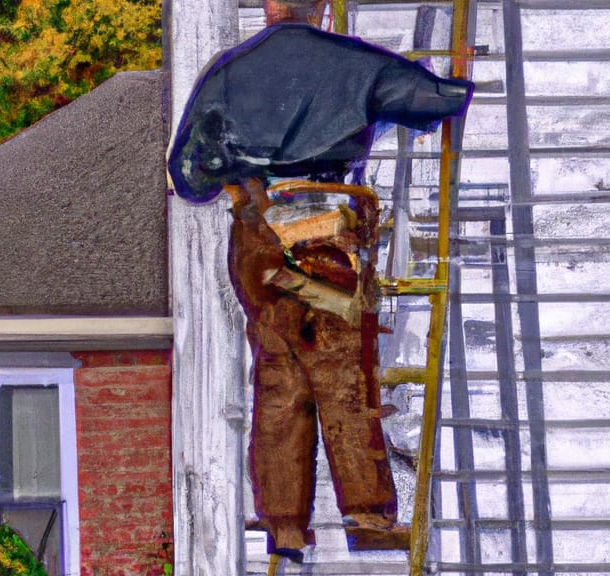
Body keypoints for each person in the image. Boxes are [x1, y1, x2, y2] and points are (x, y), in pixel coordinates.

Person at [168, 0, 472, 559]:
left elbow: (189, 178)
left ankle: (284, 525)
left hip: (256, 237)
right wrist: (459, 78)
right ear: (322, 9)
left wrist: (242, 166)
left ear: (268, 7)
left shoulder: (227, 73)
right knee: (341, 376)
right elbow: (437, 101)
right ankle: (366, 515)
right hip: (328, 231)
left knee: (279, 377)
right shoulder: (355, 62)